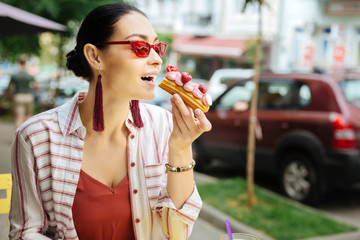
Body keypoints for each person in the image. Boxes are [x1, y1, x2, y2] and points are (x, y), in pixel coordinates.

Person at [8, 3, 211, 240]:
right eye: (140, 46)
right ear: (95, 56)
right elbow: (25, 233)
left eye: (157, 47)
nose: (157, 59)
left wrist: (181, 147)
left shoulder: (165, 126)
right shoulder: (36, 137)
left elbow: (177, 234)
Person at [7, 54, 35, 128]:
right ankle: (28, 135)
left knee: (19, 117)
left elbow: (9, 87)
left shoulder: (15, 75)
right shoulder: (29, 75)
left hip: (18, 96)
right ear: (26, 63)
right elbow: (36, 86)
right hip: (28, 96)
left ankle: (18, 136)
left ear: (19, 63)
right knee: (28, 115)